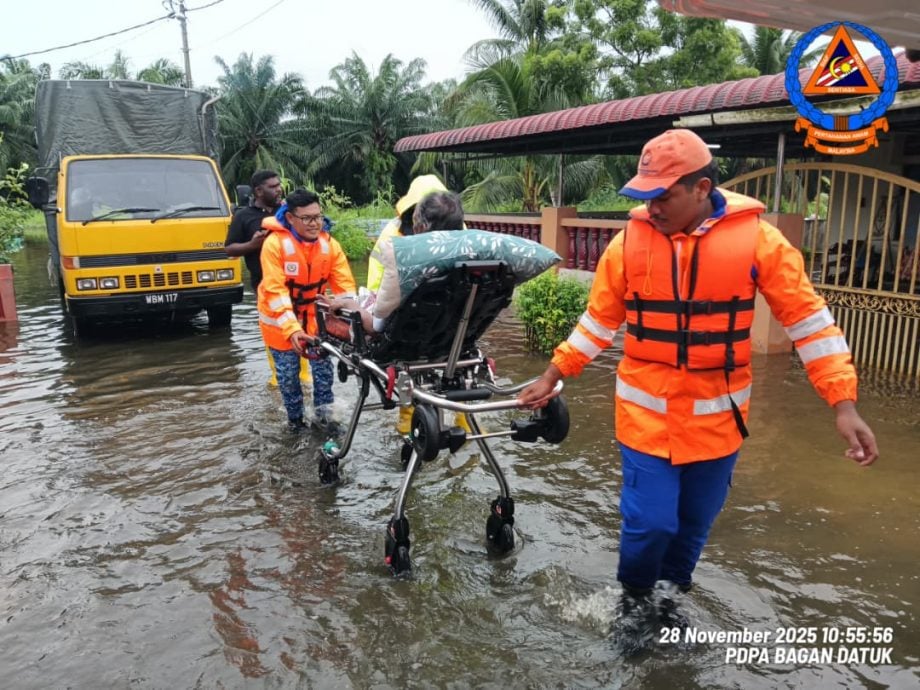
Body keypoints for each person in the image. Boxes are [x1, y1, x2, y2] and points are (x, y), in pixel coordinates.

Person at [517, 129, 879, 653]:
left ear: (701, 187)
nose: (650, 207)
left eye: (662, 195)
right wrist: (554, 375)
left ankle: (667, 601)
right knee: (650, 521)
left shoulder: (759, 240)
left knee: (692, 525)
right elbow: (598, 322)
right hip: (646, 416)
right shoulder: (628, 244)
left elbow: (809, 323)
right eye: (645, 196)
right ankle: (634, 602)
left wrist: (842, 405)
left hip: (718, 419)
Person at [257, 188, 357, 432]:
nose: (315, 224)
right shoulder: (274, 245)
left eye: (318, 217)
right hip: (279, 324)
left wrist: (353, 320)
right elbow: (275, 291)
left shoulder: (329, 245)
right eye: (307, 218)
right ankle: (295, 423)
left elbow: (345, 287)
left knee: (324, 373)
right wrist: (292, 330)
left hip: (315, 321)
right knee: (289, 377)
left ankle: (325, 419)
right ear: (290, 218)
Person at [224, 170, 309, 387]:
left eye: (279, 184)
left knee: (303, 337)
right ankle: (279, 385)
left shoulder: (289, 213)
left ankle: (304, 383)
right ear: (258, 191)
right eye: (272, 186)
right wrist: (252, 245)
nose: (279, 188)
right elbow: (230, 249)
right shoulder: (244, 216)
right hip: (266, 290)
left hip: (297, 288)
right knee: (277, 339)